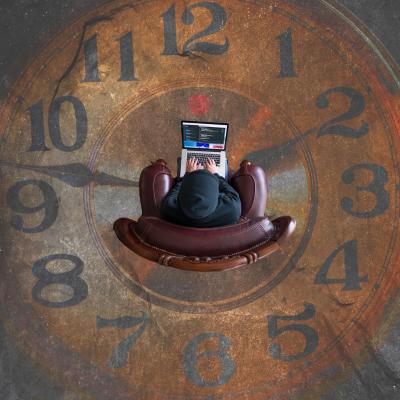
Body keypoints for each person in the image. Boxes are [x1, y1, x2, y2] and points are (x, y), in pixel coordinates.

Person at [160, 157, 242, 228]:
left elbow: (175, 190)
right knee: (225, 163)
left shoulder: (168, 209)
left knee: (181, 161)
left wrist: (188, 174)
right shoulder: (233, 210)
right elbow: (229, 190)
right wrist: (214, 174)